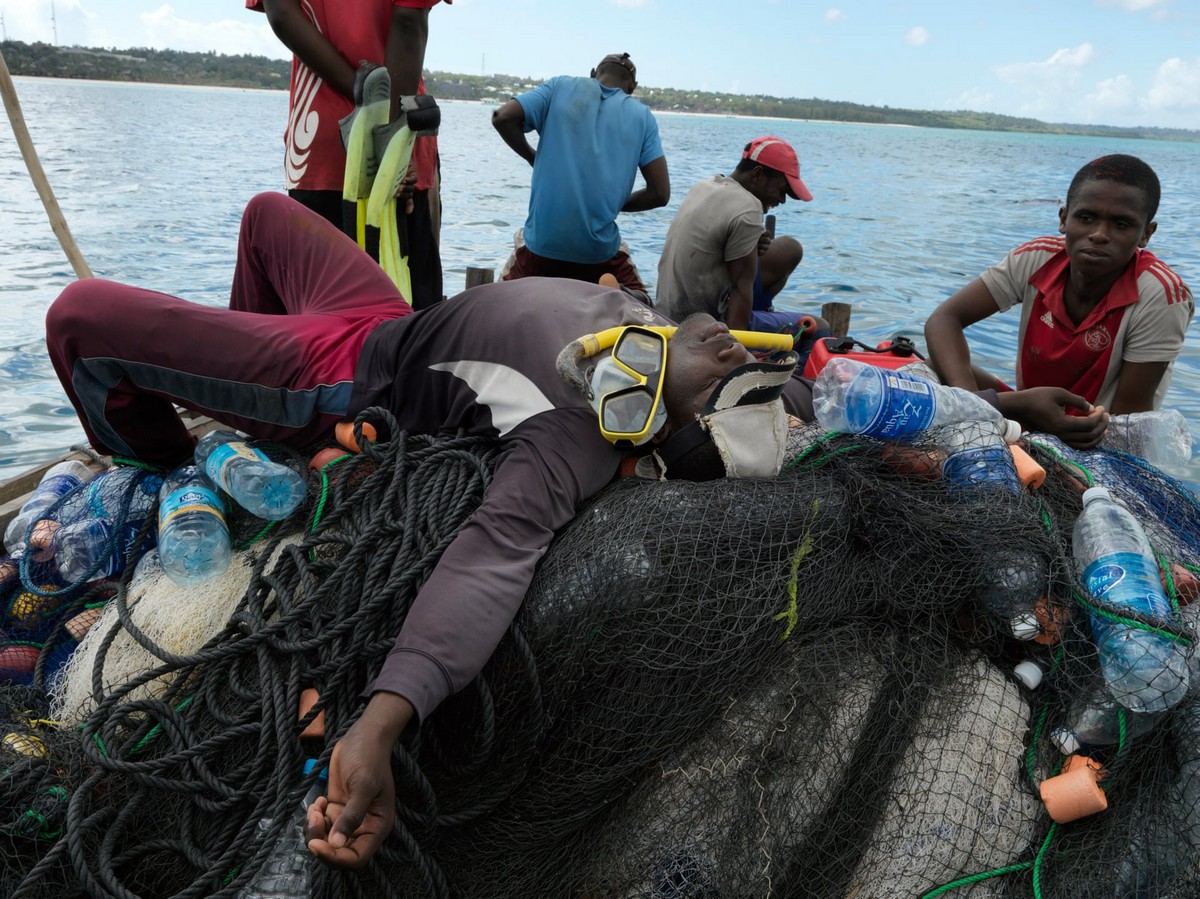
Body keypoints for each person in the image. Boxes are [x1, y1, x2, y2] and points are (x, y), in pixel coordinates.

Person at [44, 190, 817, 869]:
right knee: (266, 215)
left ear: (663, 424)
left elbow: (491, 560)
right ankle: (238, 372)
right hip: (389, 320)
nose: (724, 347)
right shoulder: (645, 321)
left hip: (337, 375)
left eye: (717, 380)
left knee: (78, 319)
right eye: (737, 356)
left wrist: (382, 720)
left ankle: (165, 457)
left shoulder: (573, 433)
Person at [924, 154, 1194, 448]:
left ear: (1146, 234)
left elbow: (1127, 423)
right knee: (930, 368)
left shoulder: (1160, 295)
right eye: (1086, 218)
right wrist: (975, 404)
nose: (1099, 234)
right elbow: (944, 320)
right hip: (1027, 412)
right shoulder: (1037, 258)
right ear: (1064, 219)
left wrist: (1001, 408)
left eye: (1121, 224)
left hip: (1095, 438)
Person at [249, 0, 448, 309]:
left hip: (317, 143)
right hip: (400, 144)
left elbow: (282, 12)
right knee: (408, 319)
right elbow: (409, 18)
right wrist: (390, 139)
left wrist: (362, 91)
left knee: (318, 314)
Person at [492, 52, 670, 294]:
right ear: (632, 88)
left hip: (540, 250)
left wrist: (531, 156)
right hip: (599, 256)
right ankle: (625, 298)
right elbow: (660, 194)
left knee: (498, 296)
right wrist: (613, 205)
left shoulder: (559, 87)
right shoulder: (642, 117)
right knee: (646, 311)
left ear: (593, 73)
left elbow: (502, 117)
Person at [656, 136, 812, 333]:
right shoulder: (748, 208)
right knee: (818, 328)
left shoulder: (704, 186)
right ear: (757, 175)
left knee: (790, 249)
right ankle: (757, 324)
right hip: (706, 324)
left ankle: (759, 314)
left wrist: (752, 246)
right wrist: (737, 350)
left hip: (667, 313)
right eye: (782, 191)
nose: (781, 200)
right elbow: (740, 288)